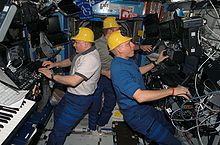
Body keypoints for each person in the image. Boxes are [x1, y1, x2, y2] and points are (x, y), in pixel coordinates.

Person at [108, 30, 191, 145]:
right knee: (170, 142)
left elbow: (138, 71)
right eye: (128, 44)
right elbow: (140, 96)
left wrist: (156, 62)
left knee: (165, 122)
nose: (133, 45)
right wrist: (173, 91)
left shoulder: (126, 60)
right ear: (119, 49)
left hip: (144, 108)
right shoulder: (119, 69)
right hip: (136, 115)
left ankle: (176, 134)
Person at [38, 27, 101, 145]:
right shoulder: (82, 52)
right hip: (71, 95)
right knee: (57, 112)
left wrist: (52, 76)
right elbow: (70, 61)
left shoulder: (91, 59)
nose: (74, 44)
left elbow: (74, 81)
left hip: (80, 100)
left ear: (86, 43)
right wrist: (55, 64)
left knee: (59, 132)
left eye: (77, 42)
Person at [88, 16, 152, 131]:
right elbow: (90, 65)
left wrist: (141, 47)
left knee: (111, 102)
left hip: (115, 76)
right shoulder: (96, 45)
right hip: (100, 77)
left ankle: (102, 123)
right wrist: (103, 72)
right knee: (95, 104)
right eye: (117, 29)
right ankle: (92, 127)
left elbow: (128, 46)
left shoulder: (119, 41)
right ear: (110, 30)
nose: (119, 31)